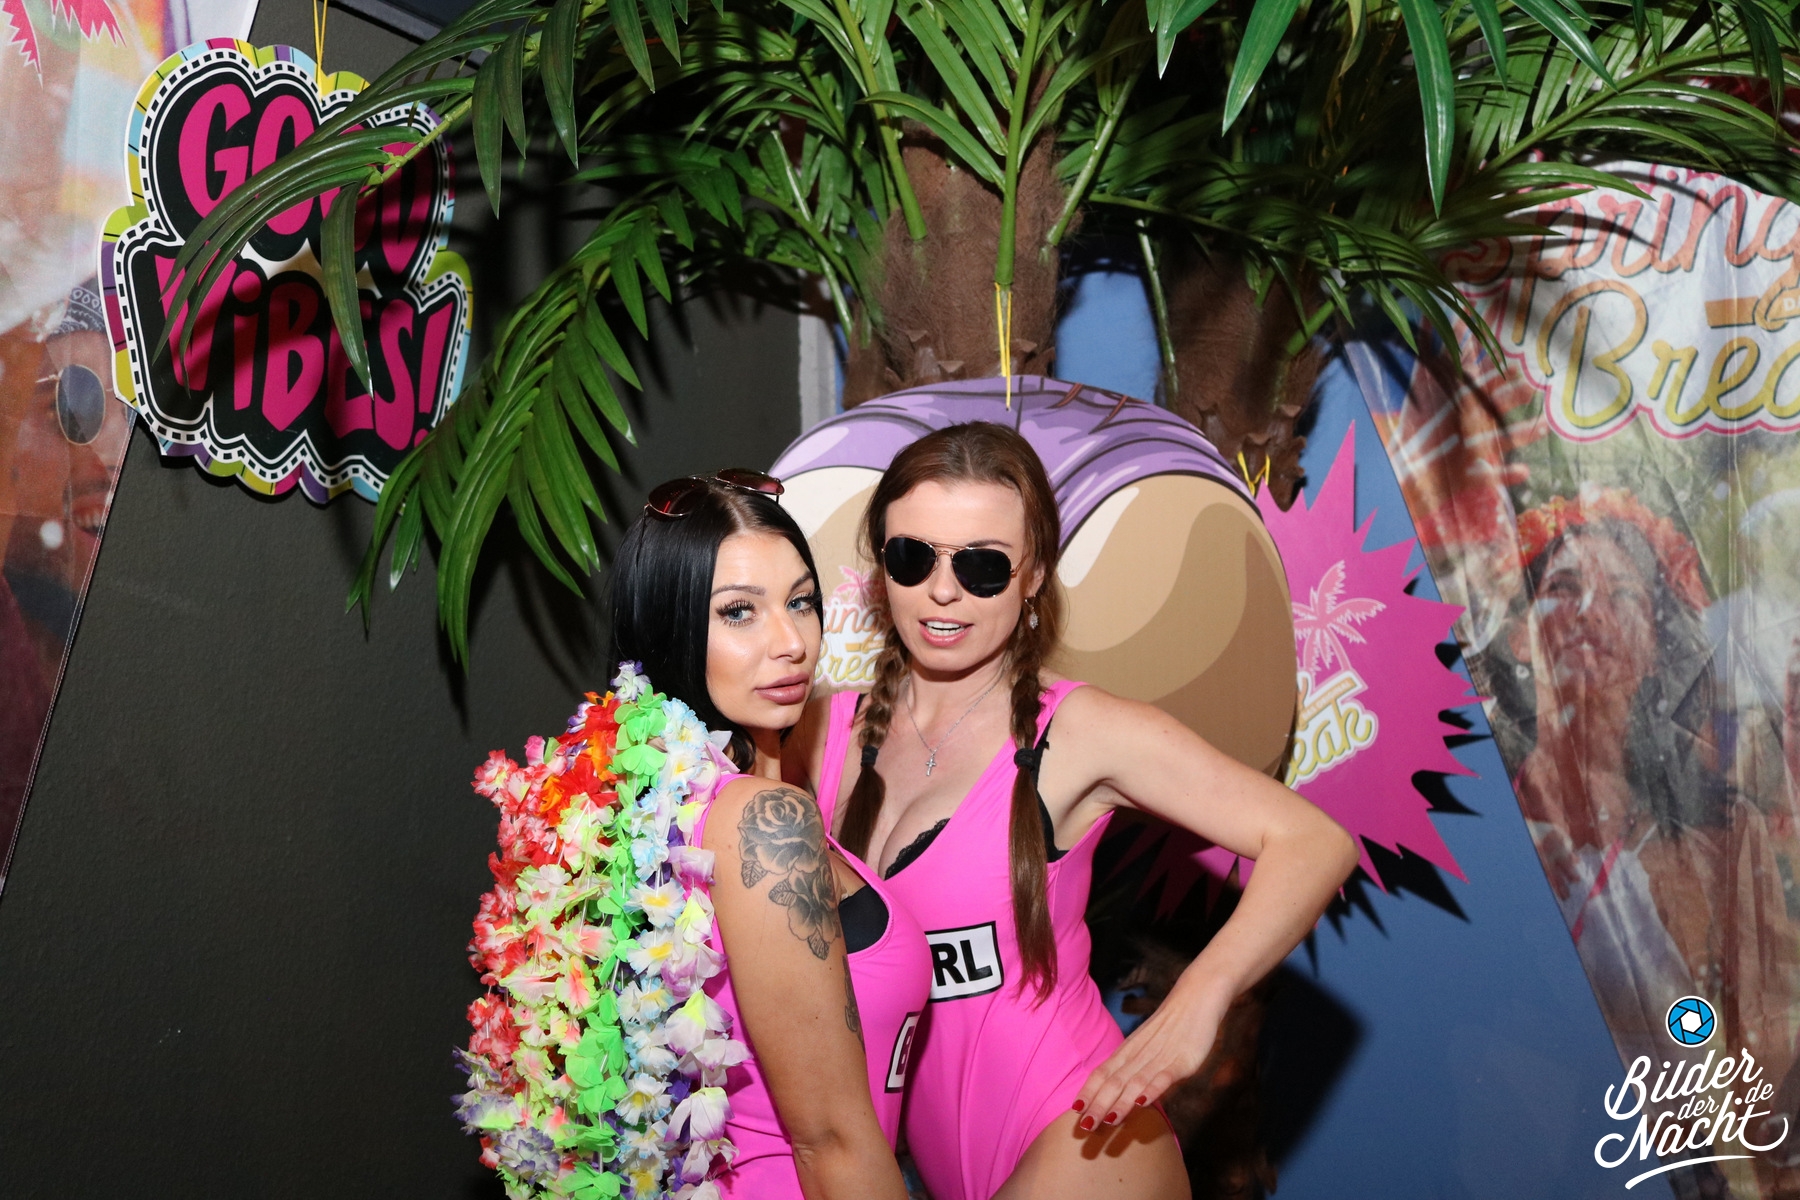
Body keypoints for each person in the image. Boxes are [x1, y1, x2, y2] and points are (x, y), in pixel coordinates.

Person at [791, 423, 1360, 1200]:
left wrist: (1200, 1000)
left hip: (1088, 1136)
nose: (943, 590)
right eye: (913, 557)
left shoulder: (1079, 731)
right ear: (880, 566)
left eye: (983, 565)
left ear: (1033, 576)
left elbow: (1313, 841)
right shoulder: (821, 734)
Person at [609, 468, 930, 1200]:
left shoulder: (653, 805)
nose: (790, 641)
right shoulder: (761, 821)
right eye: (739, 612)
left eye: (801, 601)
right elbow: (833, 1144)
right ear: (669, 628)